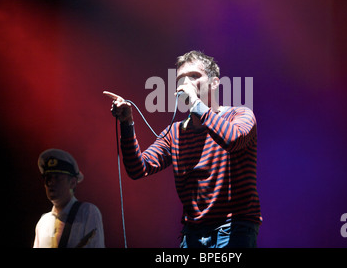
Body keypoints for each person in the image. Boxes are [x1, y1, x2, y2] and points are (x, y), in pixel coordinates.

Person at [104, 50, 262, 248]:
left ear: (214, 83)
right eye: (181, 79)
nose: (186, 84)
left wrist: (195, 103)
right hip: (193, 232)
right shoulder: (175, 132)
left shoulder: (240, 115)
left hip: (233, 227)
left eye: (194, 76)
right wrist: (127, 124)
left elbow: (231, 140)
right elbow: (138, 169)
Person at [33, 148, 105, 248]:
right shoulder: (43, 223)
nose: (51, 183)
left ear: (72, 182)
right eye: (48, 178)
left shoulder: (87, 212)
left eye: (57, 178)